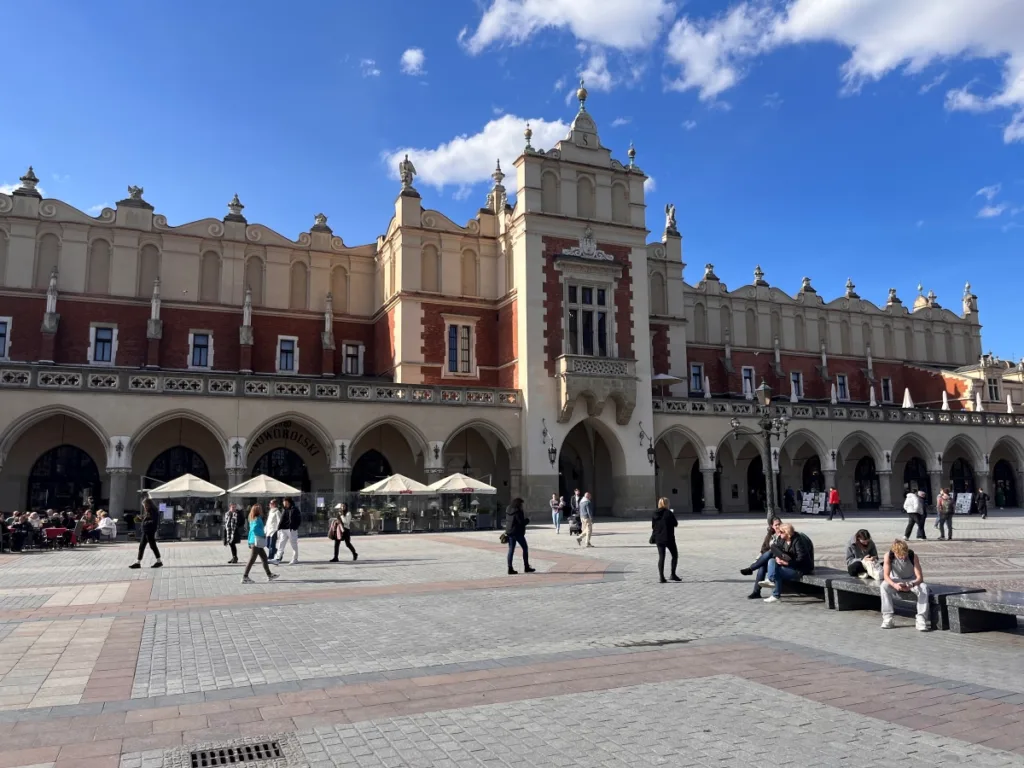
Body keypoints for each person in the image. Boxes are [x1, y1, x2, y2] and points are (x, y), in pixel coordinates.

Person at [881, 538, 929, 631]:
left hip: (911, 580)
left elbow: (920, 577)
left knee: (924, 587)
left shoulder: (913, 556)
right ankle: (888, 618)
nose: (903, 557)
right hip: (896, 579)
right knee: (884, 586)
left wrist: (912, 584)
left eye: (904, 554)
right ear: (895, 552)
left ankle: (921, 618)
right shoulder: (888, 556)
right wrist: (895, 585)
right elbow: (886, 576)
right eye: (900, 555)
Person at [761, 523, 814, 603]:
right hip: (788, 565)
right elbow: (775, 548)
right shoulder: (783, 539)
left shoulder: (797, 541)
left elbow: (801, 559)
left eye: (781, 532)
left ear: (787, 533)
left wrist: (787, 563)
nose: (779, 533)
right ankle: (771, 580)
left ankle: (775, 593)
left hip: (800, 568)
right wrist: (778, 557)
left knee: (777, 572)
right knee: (771, 561)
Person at [740, 516, 782, 599]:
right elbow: (763, 549)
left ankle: (751, 569)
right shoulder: (770, 536)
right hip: (770, 560)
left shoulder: (784, 534)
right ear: (772, 526)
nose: (778, 526)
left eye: (779, 524)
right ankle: (756, 592)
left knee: (770, 552)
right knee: (762, 567)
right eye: (776, 525)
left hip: (780, 559)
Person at [242, 504, 279, 584]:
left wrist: (249, 541)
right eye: (260, 509)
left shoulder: (252, 519)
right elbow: (255, 529)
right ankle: (245, 577)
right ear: (257, 511)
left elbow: (250, 531)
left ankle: (269, 575)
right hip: (256, 541)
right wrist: (263, 534)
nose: (261, 510)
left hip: (254, 541)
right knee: (252, 559)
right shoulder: (257, 519)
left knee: (264, 558)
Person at [651, 498, 680, 584]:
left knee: (661, 557)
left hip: (658, 538)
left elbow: (653, 526)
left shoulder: (654, 513)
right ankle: (673, 574)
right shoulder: (669, 513)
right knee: (674, 555)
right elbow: (675, 524)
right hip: (668, 537)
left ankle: (661, 577)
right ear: (667, 504)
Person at [504, 497, 534, 575]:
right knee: (525, 548)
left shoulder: (508, 509)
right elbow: (521, 522)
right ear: (518, 504)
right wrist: (528, 519)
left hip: (510, 532)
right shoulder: (518, 511)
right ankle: (526, 567)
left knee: (511, 550)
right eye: (521, 504)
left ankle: (510, 568)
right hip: (517, 532)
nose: (522, 506)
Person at [129, 498, 162, 569]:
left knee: (152, 546)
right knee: (142, 546)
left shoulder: (153, 511)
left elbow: (154, 522)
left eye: (144, 505)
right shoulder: (148, 511)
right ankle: (138, 563)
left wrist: (144, 522)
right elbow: (148, 519)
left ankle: (159, 561)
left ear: (148, 504)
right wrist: (142, 518)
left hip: (149, 531)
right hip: (146, 531)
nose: (144, 507)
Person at [274, 498, 300, 564]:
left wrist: (295, 527)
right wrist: (279, 527)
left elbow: (299, 519)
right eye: (283, 502)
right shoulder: (284, 509)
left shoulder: (295, 509)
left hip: (291, 529)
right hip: (283, 529)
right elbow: (282, 519)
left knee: (293, 545)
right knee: (281, 544)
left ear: (288, 502)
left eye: (284, 501)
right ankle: (277, 558)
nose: (283, 503)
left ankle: (295, 559)